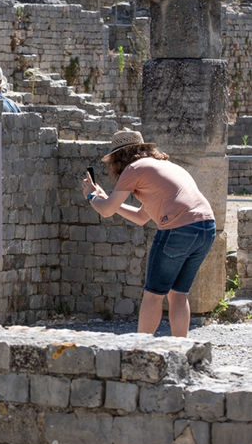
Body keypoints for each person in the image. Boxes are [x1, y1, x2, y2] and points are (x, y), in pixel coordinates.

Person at [82, 129, 215, 338]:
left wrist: (91, 195)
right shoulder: (164, 167)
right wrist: (108, 199)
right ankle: (180, 350)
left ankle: (139, 352)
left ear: (119, 158)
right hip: (206, 227)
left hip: (178, 228)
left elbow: (105, 211)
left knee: (153, 295)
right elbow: (141, 217)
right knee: (178, 294)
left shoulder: (134, 169)